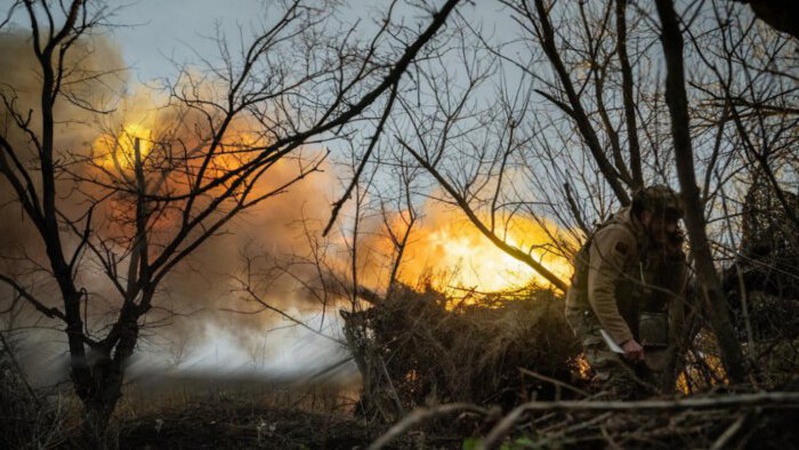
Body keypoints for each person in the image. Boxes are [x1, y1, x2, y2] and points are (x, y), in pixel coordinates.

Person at [565, 185, 689, 399]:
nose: (671, 228)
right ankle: (588, 416)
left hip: (632, 314)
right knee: (619, 383)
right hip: (593, 314)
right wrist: (624, 339)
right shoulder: (618, 235)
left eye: (674, 222)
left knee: (653, 387)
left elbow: (670, 294)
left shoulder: (656, 239)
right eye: (666, 220)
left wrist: (675, 257)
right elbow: (599, 292)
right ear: (646, 215)